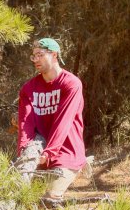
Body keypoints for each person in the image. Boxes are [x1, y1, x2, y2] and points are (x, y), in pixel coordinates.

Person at [17, 38, 86, 201]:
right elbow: (26, 123)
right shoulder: (29, 88)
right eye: (33, 56)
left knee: (50, 198)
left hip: (66, 152)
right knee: (29, 201)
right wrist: (23, 150)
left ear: (54, 55)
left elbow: (64, 121)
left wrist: (50, 152)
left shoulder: (71, 83)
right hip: (39, 152)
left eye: (40, 55)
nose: (36, 60)